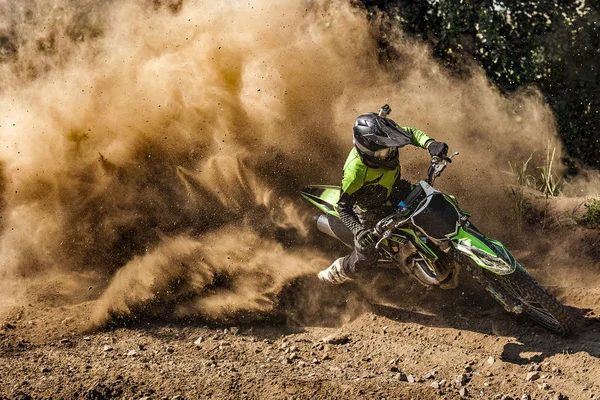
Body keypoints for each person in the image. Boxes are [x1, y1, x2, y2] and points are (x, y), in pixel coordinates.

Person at [317, 104, 449, 284]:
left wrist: (430, 144)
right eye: (385, 151)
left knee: (433, 202)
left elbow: (410, 133)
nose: (391, 152)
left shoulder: (386, 142)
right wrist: (359, 231)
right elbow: (343, 207)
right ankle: (338, 270)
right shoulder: (355, 172)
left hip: (396, 190)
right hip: (370, 211)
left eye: (392, 147)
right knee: (367, 257)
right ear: (367, 151)